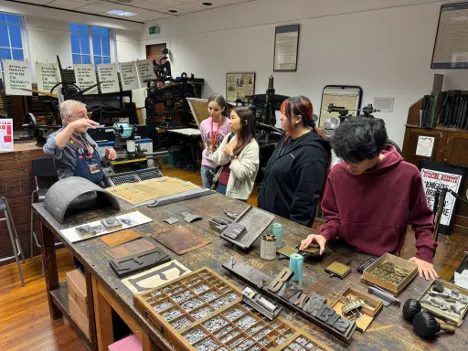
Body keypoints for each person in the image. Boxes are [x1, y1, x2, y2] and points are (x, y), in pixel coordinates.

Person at [300, 117, 438, 280]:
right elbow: (334, 217)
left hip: (384, 258)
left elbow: (422, 221)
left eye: (357, 161)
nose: (350, 166)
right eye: (346, 159)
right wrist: (324, 234)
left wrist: (424, 255)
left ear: (376, 151)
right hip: (342, 251)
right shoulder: (338, 173)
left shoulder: (407, 174)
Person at [258, 96, 330, 227]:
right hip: (268, 219)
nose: (280, 118)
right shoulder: (287, 139)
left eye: (285, 114)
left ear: (297, 119)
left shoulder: (312, 153)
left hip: (284, 226)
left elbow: (306, 201)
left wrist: (294, 233)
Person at [43, 100, 117, 185]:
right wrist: (71, 126)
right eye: (82, 116)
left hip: (97, 187)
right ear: (67, 120)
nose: (87, 119)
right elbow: (49, 150)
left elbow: (99, 161)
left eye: (87, 115)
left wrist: (107, 157)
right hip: (76, 192)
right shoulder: (59, 137)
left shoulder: (85, 136)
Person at [212, 107, 259, 201]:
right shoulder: (230, 136)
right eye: (230, 118)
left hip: (236, 194)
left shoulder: (252, 146)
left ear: (244, 123)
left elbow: (243, 173)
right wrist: (226, 153)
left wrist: (232, 155)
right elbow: (216, 158)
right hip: (221, 184)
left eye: (233, 118)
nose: (229, 121)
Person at [199, 94, 231, 188]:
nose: (212, 112)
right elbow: (204, 140)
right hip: (206, 164)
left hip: (221, 166)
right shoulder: (204, 124)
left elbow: (231, 144)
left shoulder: (228, 124)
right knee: (206, 195)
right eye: (210, 108)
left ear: (223, 109)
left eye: (216, 110)